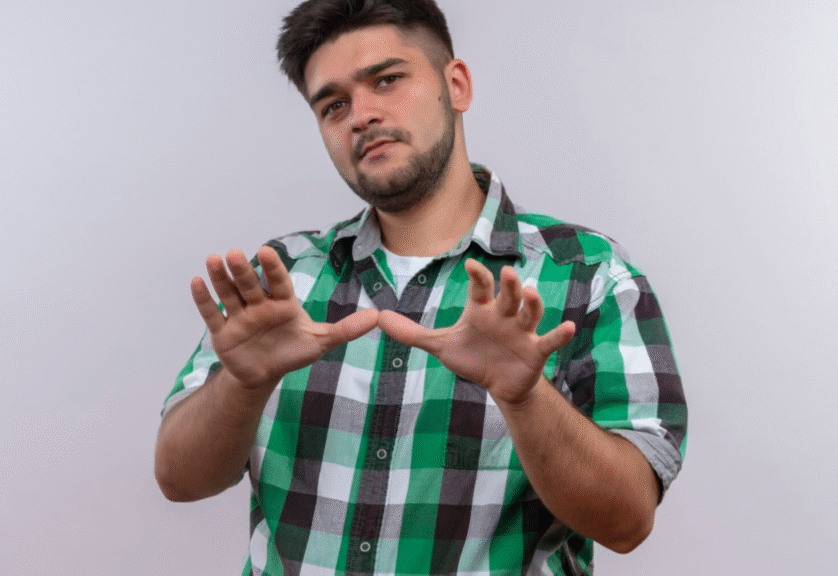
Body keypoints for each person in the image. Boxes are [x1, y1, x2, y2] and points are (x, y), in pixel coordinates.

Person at [155, 0, 687, 574]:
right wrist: (242, 383)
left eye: (387, 80)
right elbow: (180, 480)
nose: (361, 116)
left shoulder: (587, 274)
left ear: (455, 85)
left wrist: (524, 397)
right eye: (334, 105)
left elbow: (627, 521)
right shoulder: (279, 279)